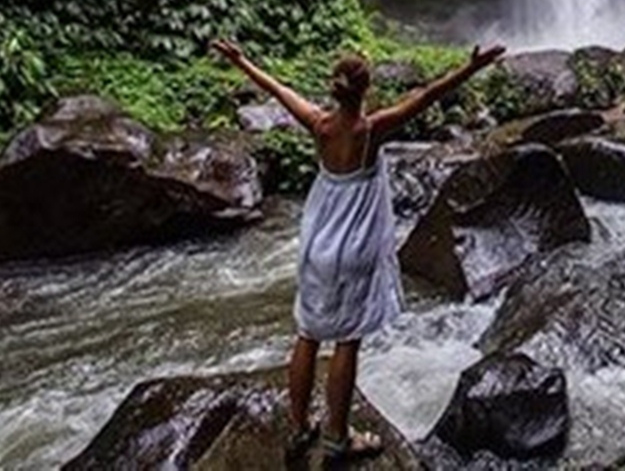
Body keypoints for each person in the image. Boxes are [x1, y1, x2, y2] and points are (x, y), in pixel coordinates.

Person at [210, 38, 505, 461]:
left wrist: (242, 60)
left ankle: (298, 428)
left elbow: (278, 90)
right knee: (347, 341)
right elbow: (426, 95)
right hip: (354, 248)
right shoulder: (371, 131)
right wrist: (472, 67)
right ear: (365, 91)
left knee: (307, 334)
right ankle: (336, 437)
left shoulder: (319, 124)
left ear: (335, 90)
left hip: (317, 244)